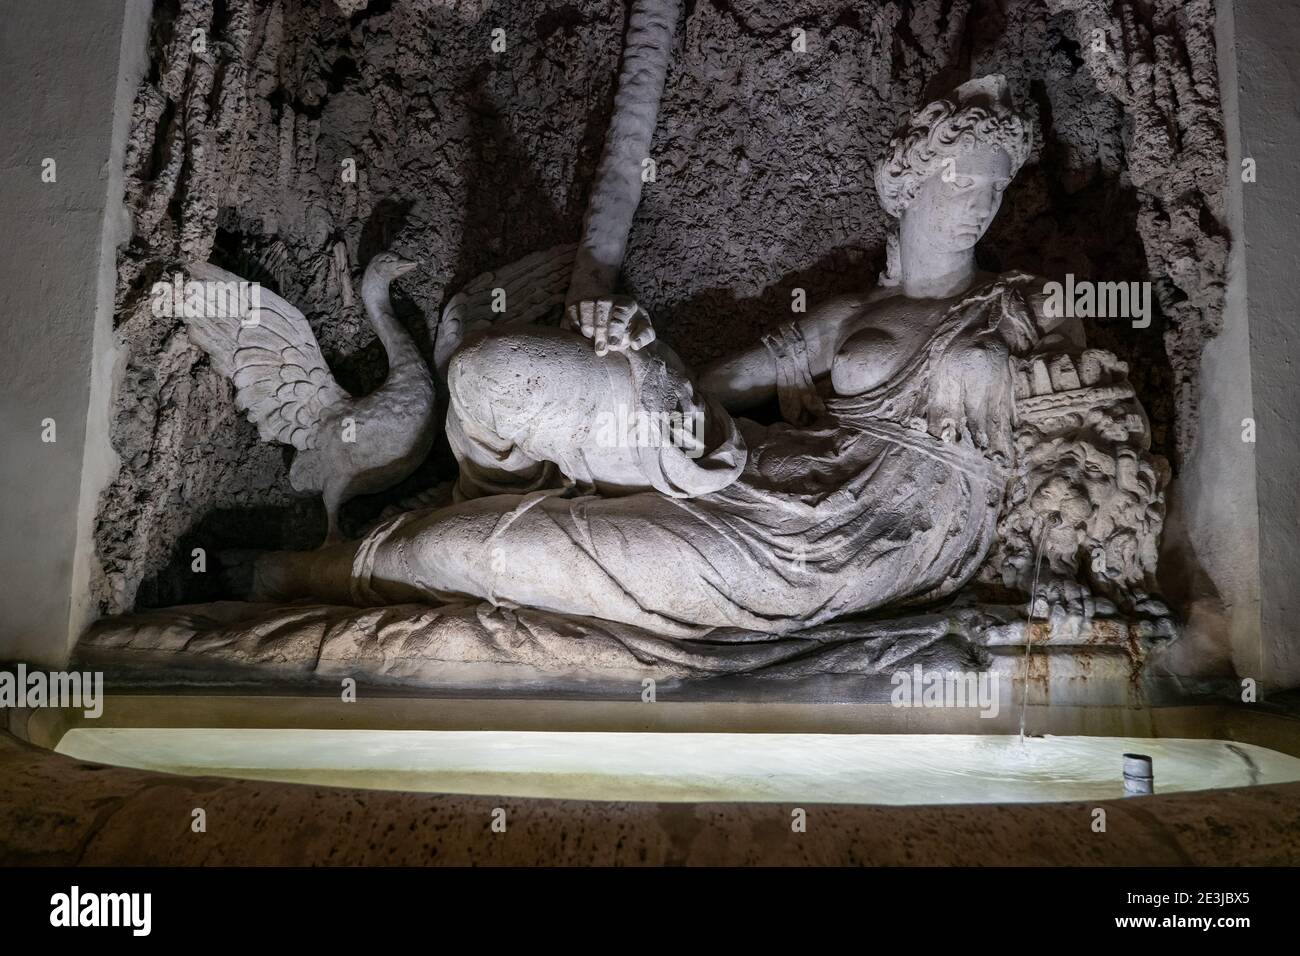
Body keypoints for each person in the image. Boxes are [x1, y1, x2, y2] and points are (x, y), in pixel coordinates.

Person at [248, 76, 1068, 639]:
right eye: (962, 180)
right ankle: (485, 487)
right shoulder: (856, 313)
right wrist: (638, 359)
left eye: (994, 189)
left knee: (506, 550)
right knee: (485, 372)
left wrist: (1071, 568)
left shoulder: (1022, 303)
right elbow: (727, 384)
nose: (977, 204)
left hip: (866, 544)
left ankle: (329, 570)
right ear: (911, 180)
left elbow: (1089, 450)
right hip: (780, 473)